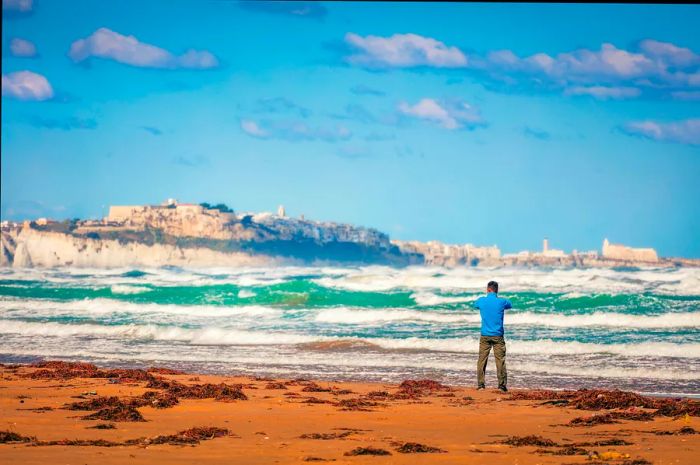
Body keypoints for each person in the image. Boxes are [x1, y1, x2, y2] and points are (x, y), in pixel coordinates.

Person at [474, 280, 511, 392]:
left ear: (488, 289)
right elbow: (510, 304)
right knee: (500, 360)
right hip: (498, 335)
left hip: (485, 335)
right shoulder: (502, 301)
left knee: (482, 360)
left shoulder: (481, 300)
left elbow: (475, 305)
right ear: (496, 290)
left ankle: (481, 385)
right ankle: (502, 386)